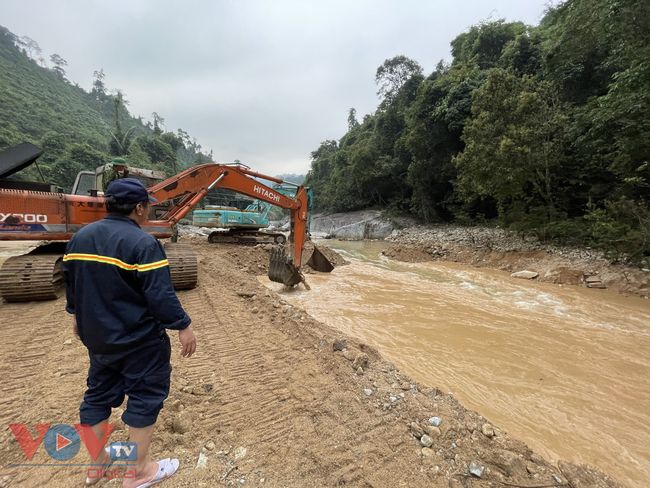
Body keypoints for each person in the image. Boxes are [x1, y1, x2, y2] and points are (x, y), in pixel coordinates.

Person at [63, 178, 197, 488]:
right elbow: (160, 296)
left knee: (96, 396)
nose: (149, 209)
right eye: (148, 204)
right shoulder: (143, 243)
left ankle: (99, 463)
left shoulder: (79, 238)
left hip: (98, 340)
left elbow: (73, 285)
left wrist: (75, 316)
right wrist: (183, 325)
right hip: (139, 341)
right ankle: (138, 473)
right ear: (139, 207)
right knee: (144, 398)